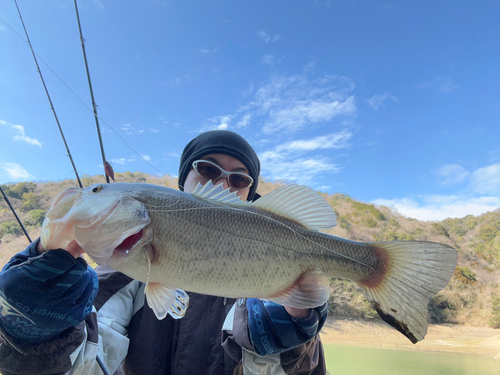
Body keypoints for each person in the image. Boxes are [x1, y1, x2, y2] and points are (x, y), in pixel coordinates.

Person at [0, 130, 328, 375]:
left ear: (250, 195)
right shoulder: (117, 277)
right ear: (183, 179)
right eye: (209, 170)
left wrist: (297, 341)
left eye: (240, 179)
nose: (224, 185)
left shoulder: (267, 286)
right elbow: (85, 362)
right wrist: (36, 336)